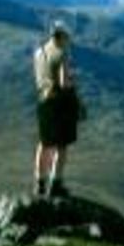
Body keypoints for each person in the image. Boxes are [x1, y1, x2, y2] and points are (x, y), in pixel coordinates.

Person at [33, 20, 83, 197]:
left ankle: (39, 183)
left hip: (43, 101)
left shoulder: (39, 52)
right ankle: (56, 184)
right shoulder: (62, 54)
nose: (69, 40)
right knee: (61, 146)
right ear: (62, 36)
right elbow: (63, 83)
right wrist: (72, 80)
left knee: (44, 143)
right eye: (68, 36)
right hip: (59, 104)